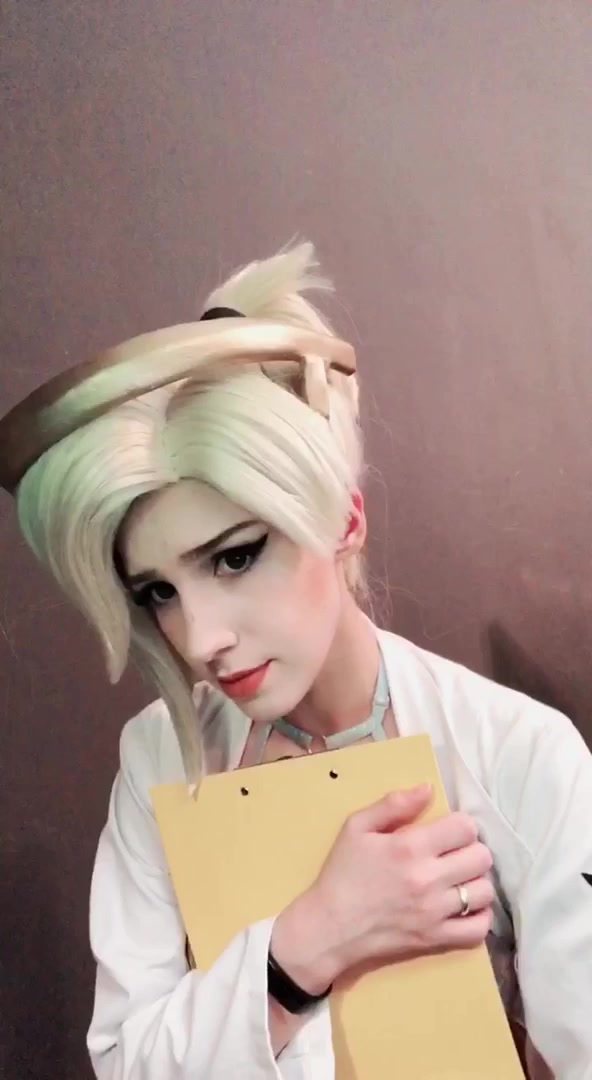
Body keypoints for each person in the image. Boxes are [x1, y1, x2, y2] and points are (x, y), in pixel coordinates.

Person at [1, 243, 591, 1080]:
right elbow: (128, 1062)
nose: (199, 638)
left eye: (234, 557)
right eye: (158, 592)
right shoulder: (161, 757)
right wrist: (305, 947)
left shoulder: (522, 755)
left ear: (345, 519)